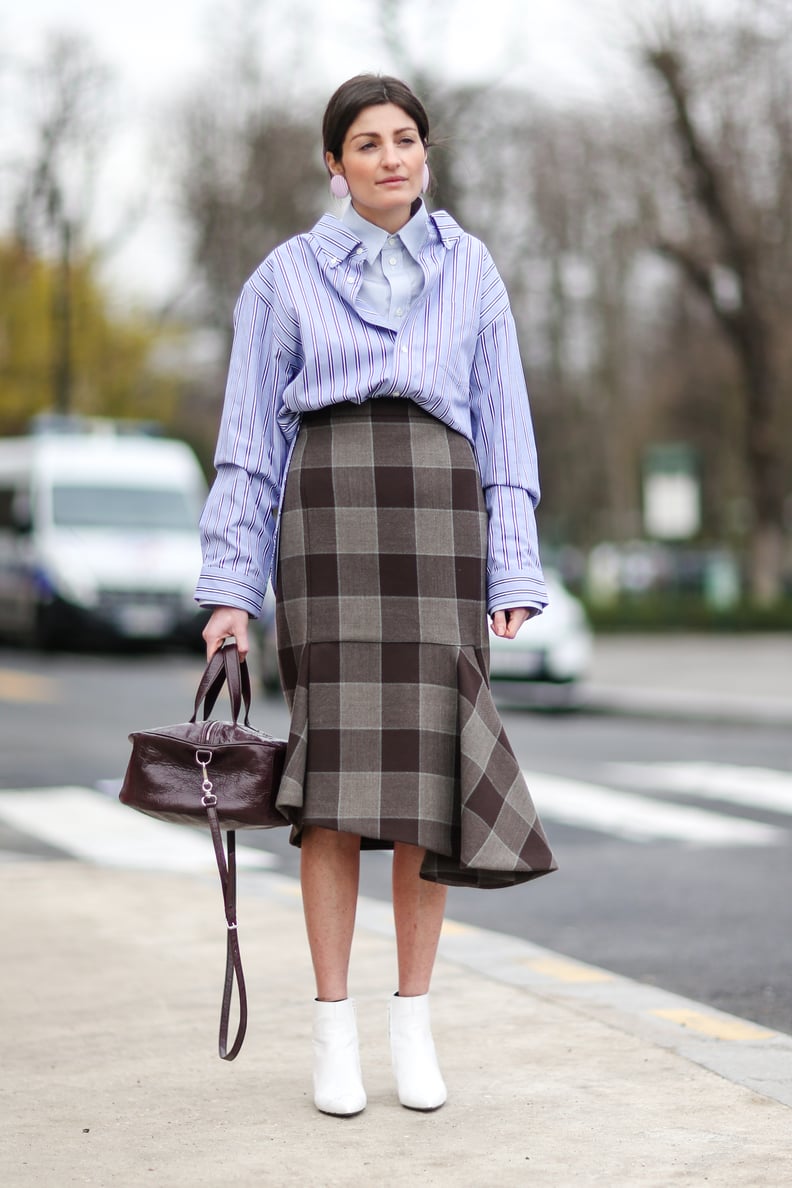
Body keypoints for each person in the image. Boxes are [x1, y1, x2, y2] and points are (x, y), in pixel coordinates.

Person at [196, 73, 557, 1117]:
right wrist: (230, 590)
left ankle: (414, 1021)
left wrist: (514, 563)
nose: (392, 157)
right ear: (334, 163)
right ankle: (332, 1029)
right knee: (338, 794)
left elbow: (507, 427)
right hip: (329, 525)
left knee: (428, 789)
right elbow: (249, 446)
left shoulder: (472, 268)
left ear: (426, 153)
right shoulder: (282, 277)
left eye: (406, 139)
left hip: (441, 527)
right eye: (368, 142)